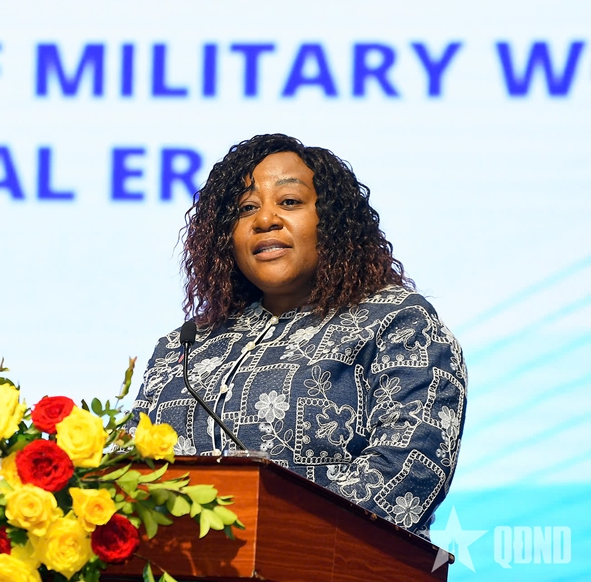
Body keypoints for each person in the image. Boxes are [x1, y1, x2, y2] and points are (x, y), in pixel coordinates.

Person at [129, 133, 467, 537]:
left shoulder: (398, 323)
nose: (265, 220)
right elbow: (130, 469)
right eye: (246, 208)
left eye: (289, 202)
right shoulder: (183, 345)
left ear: (334, 221)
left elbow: (406, 468)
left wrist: (269, 534)